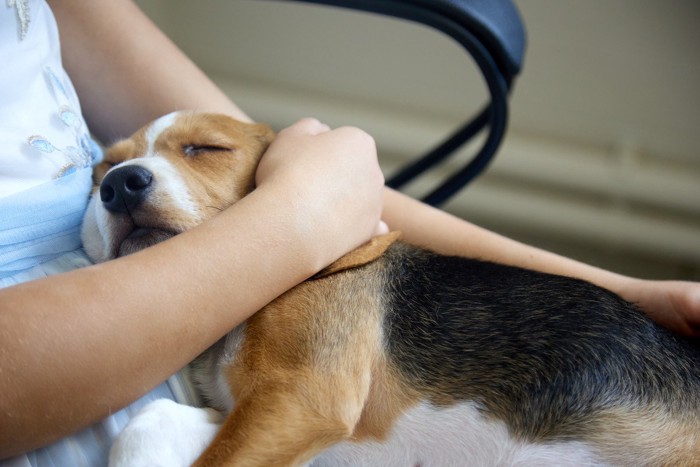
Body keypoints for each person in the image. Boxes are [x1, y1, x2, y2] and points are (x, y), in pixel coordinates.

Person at [0, 0, 698, 464]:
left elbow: (347, 210)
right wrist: (298, 214)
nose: (123, 180)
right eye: (108, 174)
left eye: (202, 151)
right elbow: (311, 205)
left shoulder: (315, 283)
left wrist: (621, 289)